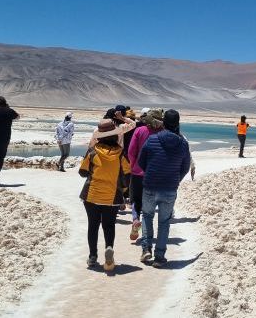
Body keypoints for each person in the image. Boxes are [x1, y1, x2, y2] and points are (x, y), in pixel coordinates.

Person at [138, 109, 191, 268]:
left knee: (147, 215)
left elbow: (142, 161)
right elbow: (185, 167)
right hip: (169, 188)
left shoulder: (152, 139)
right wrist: (176, 179)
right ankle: (160, 257)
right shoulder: (183, 144)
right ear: (178, 123)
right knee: (164, 221)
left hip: (150, 186)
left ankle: (146, 248)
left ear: (164, 123)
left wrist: (151, 173)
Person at [79, 121, 131, 272]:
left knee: (93, 225)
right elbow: (127, 174)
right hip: (112, 196)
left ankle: (92, 256)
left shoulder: (92, 151)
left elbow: (82, 172)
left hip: (92, 194)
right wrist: (123, 189)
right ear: (115, 136)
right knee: (109, 225)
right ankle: (109, 249)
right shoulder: (121, 153)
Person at [127, 109, 164, 242]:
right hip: (155, 174)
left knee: (136, 200)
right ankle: (147, 232)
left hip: (137, 172)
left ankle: (135, 219)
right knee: (150, 203)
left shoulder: (139, 130)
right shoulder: (163, 133)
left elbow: (131, 152)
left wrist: (133, 166)